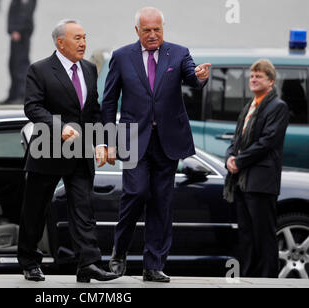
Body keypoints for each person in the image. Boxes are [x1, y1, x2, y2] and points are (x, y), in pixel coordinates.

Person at [101, 7, 210, 282]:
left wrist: (200, 76)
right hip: (133, 139)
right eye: (147, 30)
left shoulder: (179, 52)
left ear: (163, 28)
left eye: (157, 30)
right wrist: (108, 141)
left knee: (162, 203)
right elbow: (109, 101)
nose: (153, 35)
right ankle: (119, 252)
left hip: (167, 142)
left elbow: (192, 78)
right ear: (137, 31)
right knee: (135, 194)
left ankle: (153, 265)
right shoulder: (122, 56)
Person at [17, 19, 119, 283]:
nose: (83, 43)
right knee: (35, 210)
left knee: (84, 210)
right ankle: (29, 261)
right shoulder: (39, 70)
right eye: (77, 38)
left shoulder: (89, 69)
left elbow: (93, 110)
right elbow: (33, 107)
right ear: (60, 42)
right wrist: (58, 126)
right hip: (47, 149)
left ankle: (89, 264)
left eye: (85, 37)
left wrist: (100, 143)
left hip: (81, 152)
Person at [223, 59, 289, 278]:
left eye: (258, 76)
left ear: (270, 81)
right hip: (243, 180)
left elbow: (267, 141)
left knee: (263, 235)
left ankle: (268, 278)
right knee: (247, 235)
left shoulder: (277, 106)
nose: (253, 79)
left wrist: (239, 161)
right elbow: (236, 138)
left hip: (261, 181)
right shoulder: (250, 105)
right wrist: (229, 158)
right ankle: (249, 277)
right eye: (252, 76)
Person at [0, 0, 36, 105]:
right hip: (17, 34)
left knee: (21, 65)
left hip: (22, 35)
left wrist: (17, 30)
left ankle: (21, 95)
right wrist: (12, 30)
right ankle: (13, 94)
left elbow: (25, 13)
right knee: (13, 64)